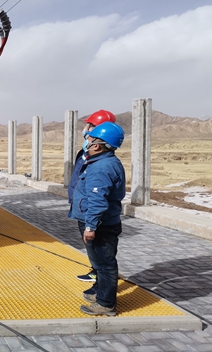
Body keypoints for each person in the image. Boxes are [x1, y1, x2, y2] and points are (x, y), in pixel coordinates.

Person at [69, 121, 126, 316]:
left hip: (100, 224)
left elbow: (97, 201)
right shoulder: (104, 162)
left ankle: (106, 304)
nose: (87, 141)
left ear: (97, 146)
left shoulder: (101, 167)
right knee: (101, 263)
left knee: (105, 264)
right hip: (104, 221)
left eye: (91, 138)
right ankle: (101, 293)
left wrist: (90, 226)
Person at [68, 110, 116, 285]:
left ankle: (102, 287)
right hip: (82, 205)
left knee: (100, 252)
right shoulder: (85, 153)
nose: (85, 129)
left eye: (89, 126)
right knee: (92, 247)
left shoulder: (99, 159)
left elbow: (98, 192)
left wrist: (91, 223)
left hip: (91, 209)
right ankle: (97, 273)